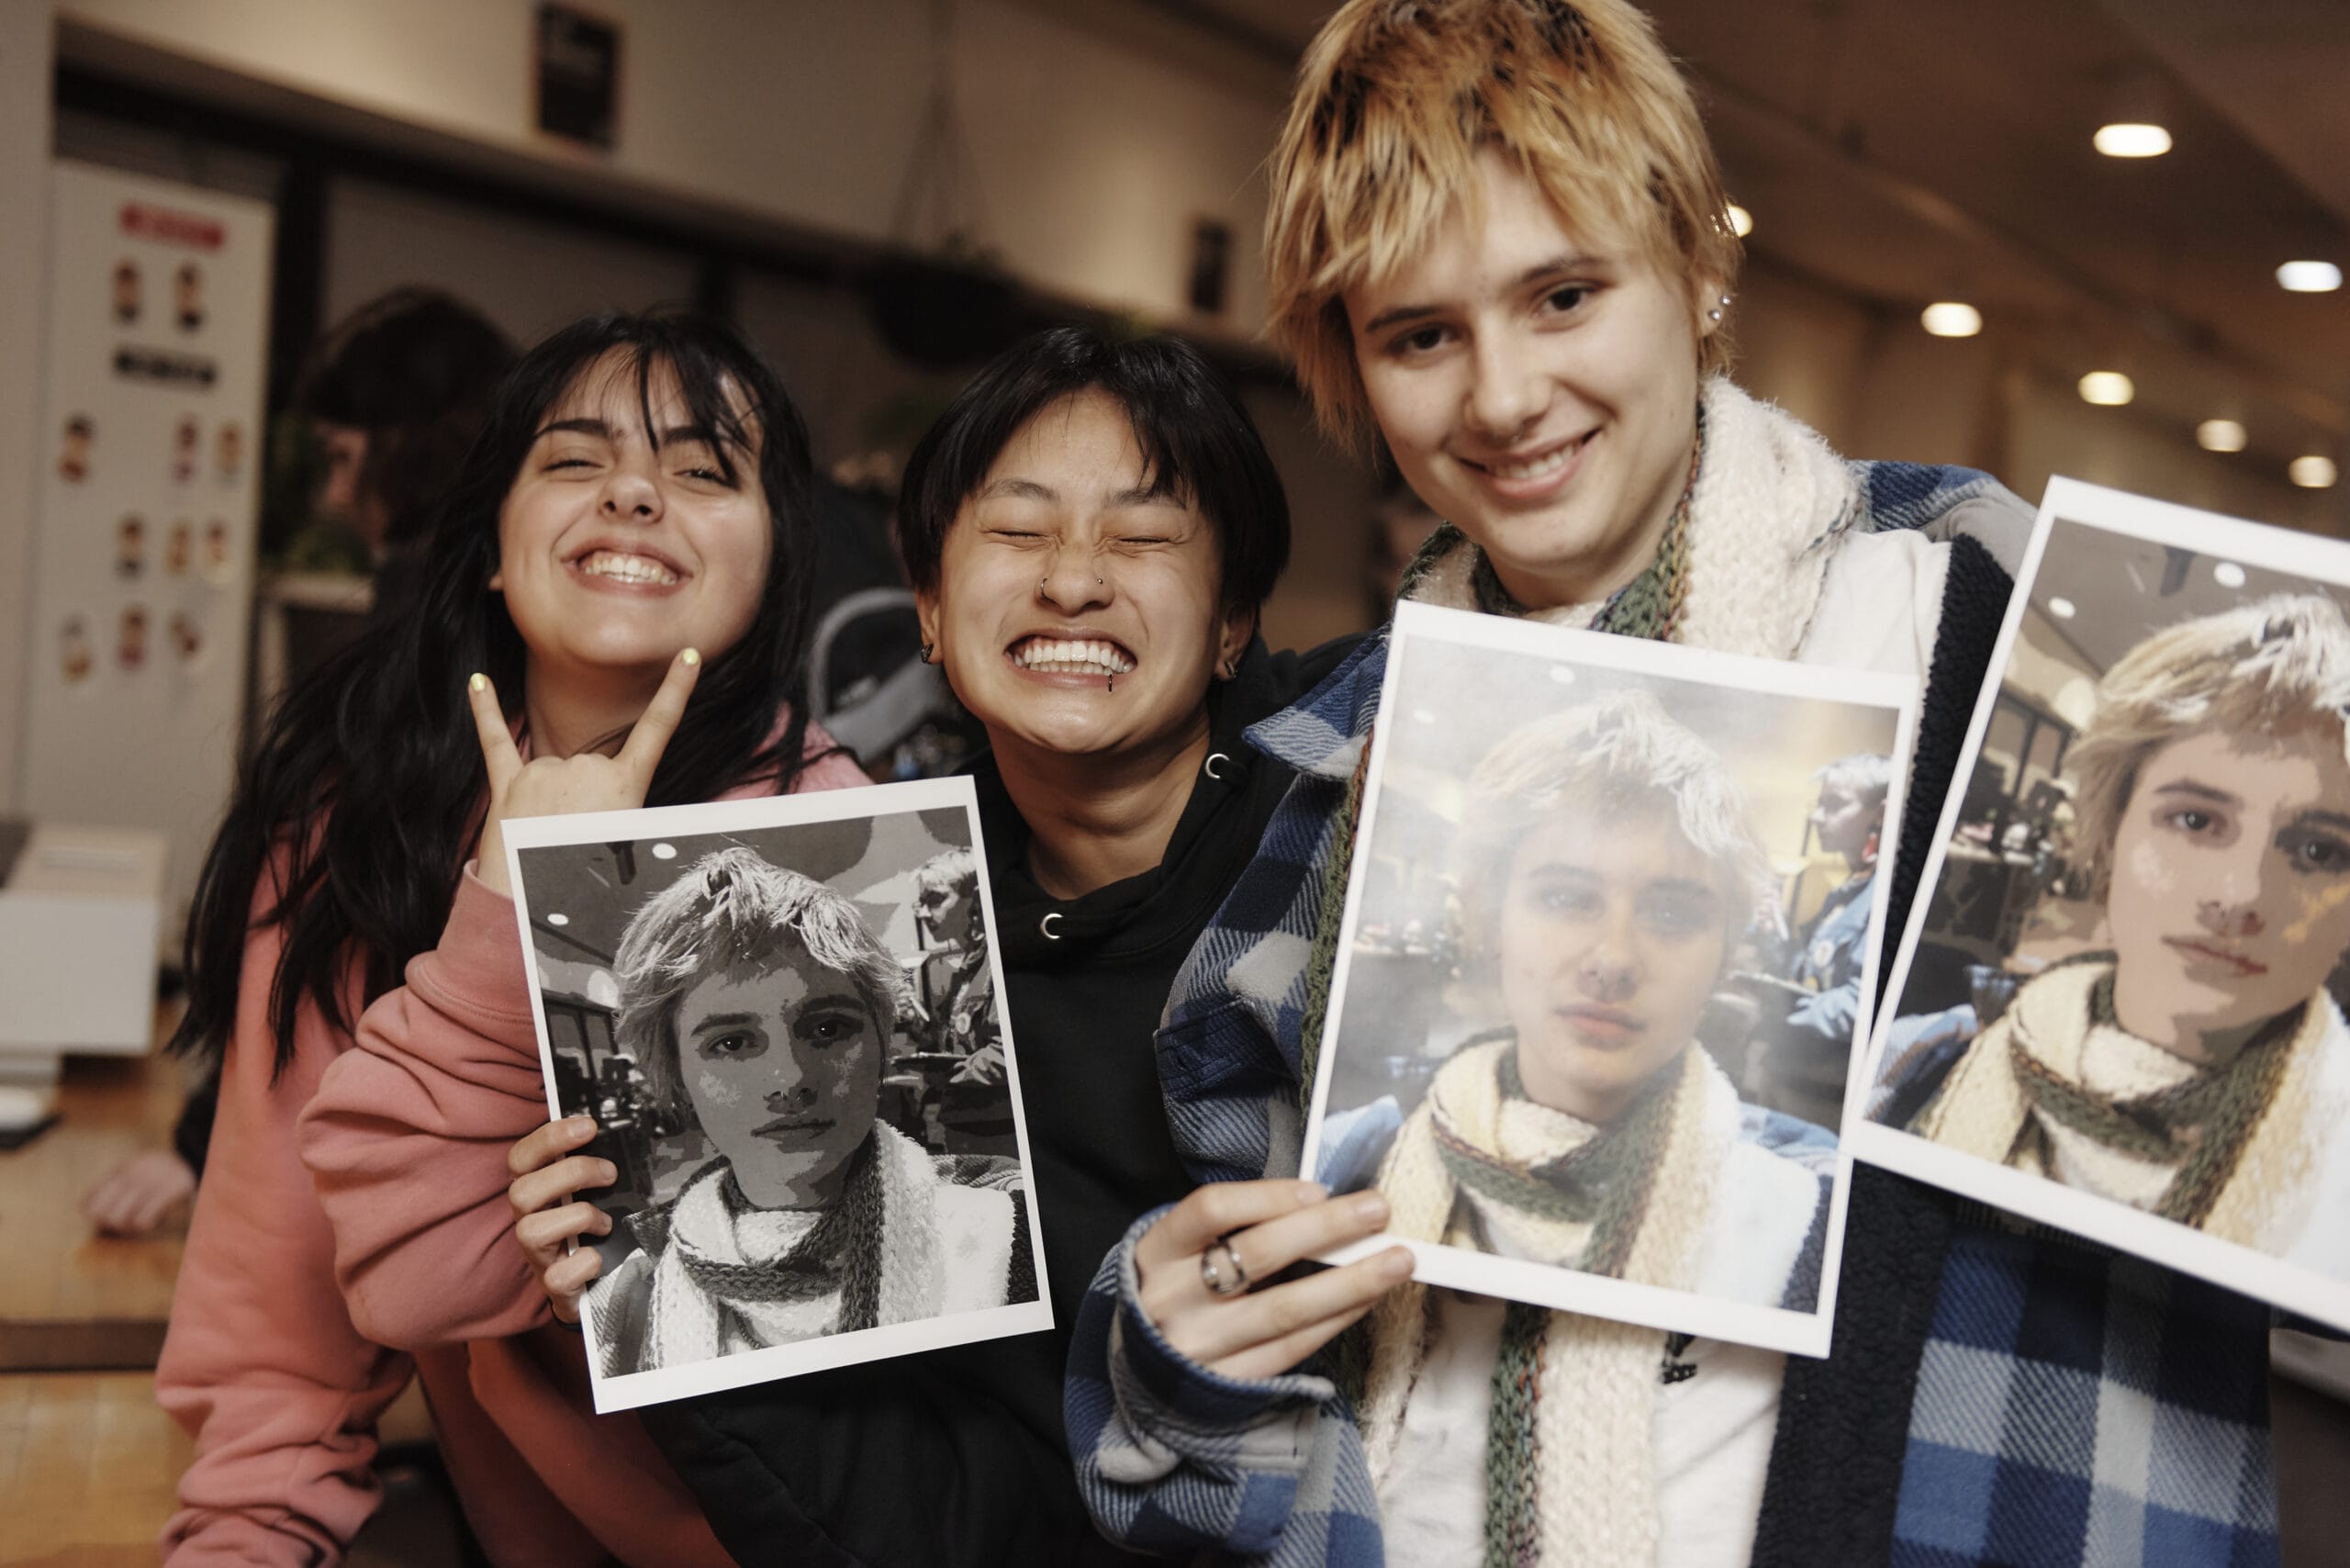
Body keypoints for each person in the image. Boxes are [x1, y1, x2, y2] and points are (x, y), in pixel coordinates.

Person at [1066, 4, 2275, 1565]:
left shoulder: (2008, 640)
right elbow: (1235, 1249)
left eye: (1563, 295)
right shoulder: (1336, 753)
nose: (1501, 397)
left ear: (1699, 272)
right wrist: (1180, 1348)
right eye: (1421, 334)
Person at [505, 325, 1352, 1564]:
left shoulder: (1355, 819)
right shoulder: (907, 945)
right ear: (932, 617)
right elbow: (948, 1507)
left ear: (1232, 624)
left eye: (1142, 534)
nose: (1073, 581)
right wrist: (656, 1296)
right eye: (1017, 532)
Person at [157, 308, 867, 1568]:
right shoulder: (354, 835)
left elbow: (878, 1367)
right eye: (576, 459)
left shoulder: (851, 846)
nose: (637, 493)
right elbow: (283, 1334)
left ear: (770, 571)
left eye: (703, 471)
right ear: (491, 544)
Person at [82, 289, 517, 1240]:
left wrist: (203, 1147)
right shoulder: (484, 623)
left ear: (413, 447)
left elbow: (323, 914)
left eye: (341, 459)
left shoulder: (424, 629)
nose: (329, 495)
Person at [1908, 596, 2350, 1269]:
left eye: (2318, 853)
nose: (2239, 896)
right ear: (2111, 834)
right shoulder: (1918, 1063)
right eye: (2196, 822)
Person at [1363, 692, 1829, 1322]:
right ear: (1493, 923)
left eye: (1671, 913)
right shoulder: (1353, 1169)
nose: (1613, 959)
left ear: (1724, 957)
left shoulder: (1809, 1219)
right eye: (1565, 898)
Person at [587, 847, 1034, 1376]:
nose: (790, 1080)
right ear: (677, 1076)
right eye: (731, 1043)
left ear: (880, 1046)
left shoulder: (1013, 1229)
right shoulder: (623, 1300)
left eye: (827, 1030)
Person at [1745, 751, 1892, 1131]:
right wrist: (1772, 935)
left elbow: (1863, 1003)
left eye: (1835, 805)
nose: (1817, 817)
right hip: (1791, 1075)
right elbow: (1808, 976)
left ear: (1880, 814)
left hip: (1822, 1097)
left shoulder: (1884, 895)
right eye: (1820, 804)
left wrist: (1780, 1020)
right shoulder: (1849, 891)